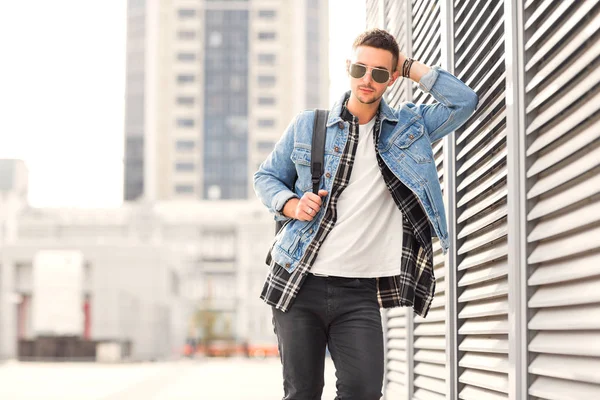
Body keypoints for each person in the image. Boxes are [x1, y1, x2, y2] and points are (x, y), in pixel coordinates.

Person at [253, 29, 478, 400]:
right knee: (303, 392)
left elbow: (464, 102)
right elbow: (266, 177)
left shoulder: (408, 127)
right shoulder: (310, 125)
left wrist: (408, 66)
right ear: (348, 69)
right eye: (360, 69)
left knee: (364, 390)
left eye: (379, 72)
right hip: (299, 281)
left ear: (392, 78)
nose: (367, 80)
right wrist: (292, 205)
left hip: (358, 292)